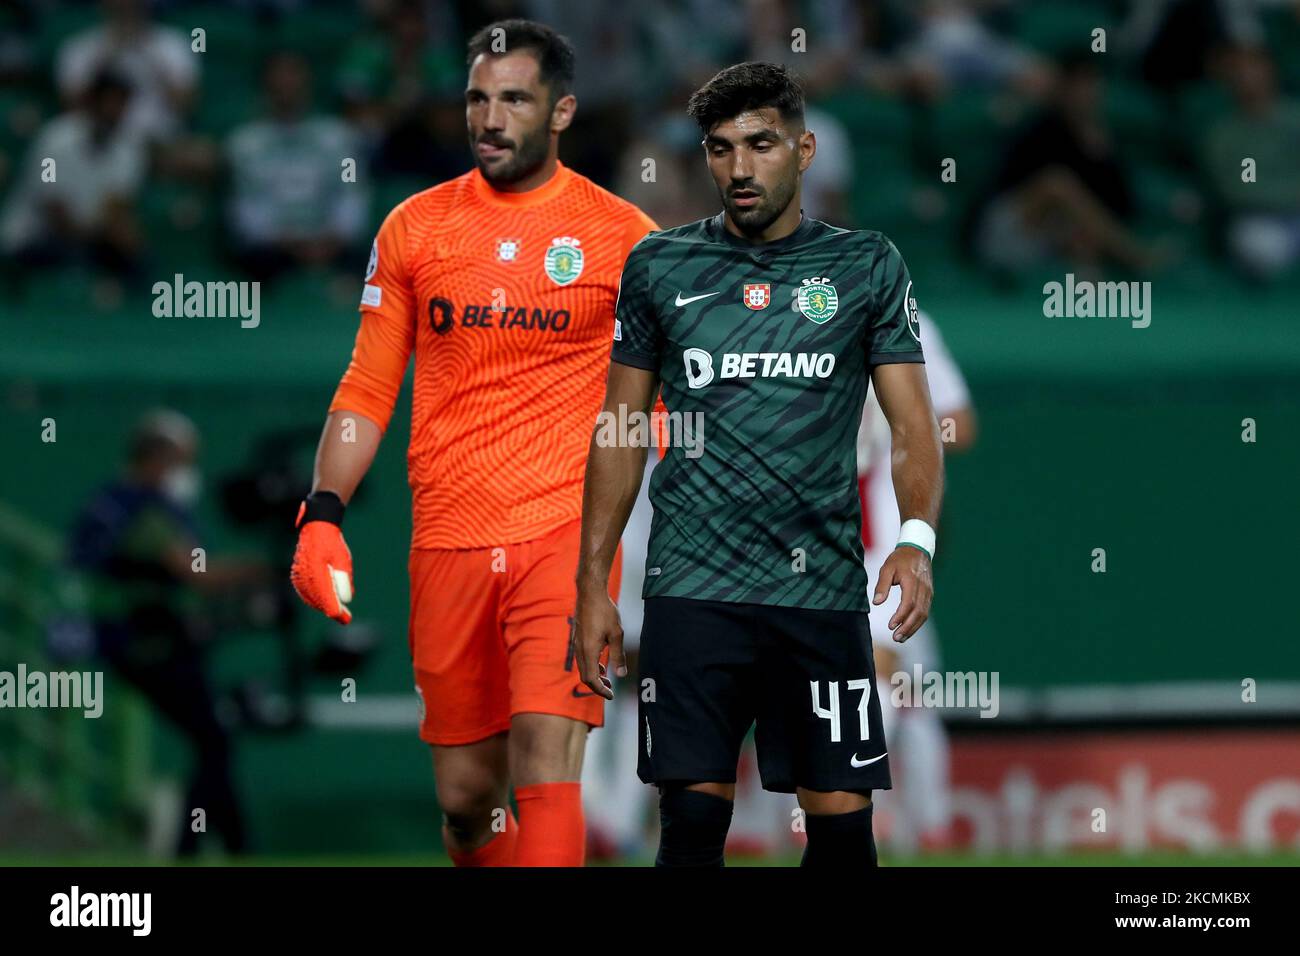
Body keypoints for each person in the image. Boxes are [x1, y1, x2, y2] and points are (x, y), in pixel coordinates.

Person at [289, 19, 657, 867]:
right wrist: (322, 512)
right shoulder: (415, 229)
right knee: (467, 803)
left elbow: (656, 397)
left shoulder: (626, 238)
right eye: (477, 99)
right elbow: (368, 387)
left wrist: (643, 497)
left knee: (546, 760)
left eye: (514, 100)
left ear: (561, 112)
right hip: (449, 534)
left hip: (566, 534)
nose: (490, 118)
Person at [572, 62, 945, 868]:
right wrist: (592, 582)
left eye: (761, 144)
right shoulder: (659, 268)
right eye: (720, 148)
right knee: (691, 829)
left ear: (805, 150)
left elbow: (917, 425)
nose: (739, 168)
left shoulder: (866, 267)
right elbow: (620, 426)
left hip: (819, 592)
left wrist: (916, 537)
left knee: (845, 836)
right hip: (691, 590)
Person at [67, 410, 265, 856]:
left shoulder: (121, 503)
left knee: (213, 739)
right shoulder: (139, 508)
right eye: (181, 461)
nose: (185, 473)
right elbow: (195, 571)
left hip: (146, 639)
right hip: (145, 644)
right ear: (157, 457)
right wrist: (264, 569)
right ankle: (195, 848)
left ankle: (232, 846)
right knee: (213, 737)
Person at [857, 311, 975, 853]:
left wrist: (901, 423)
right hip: (807, 545)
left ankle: (906, 822)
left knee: (896, 682)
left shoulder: (906, 324)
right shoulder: (776, 322)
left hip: (888, 542)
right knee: (897, 686)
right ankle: (916, 825)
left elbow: (960, 423)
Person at [226, 51, 368, 285]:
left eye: (293, 77)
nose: (287, 86)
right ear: (265, 87)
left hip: (332, 242)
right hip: (273, 247)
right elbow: (246, 206)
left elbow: (351, 191)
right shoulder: (244, 144)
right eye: (279, 80)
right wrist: (290, 243)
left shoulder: (339, 137)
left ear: (307, 83)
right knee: (254, 263)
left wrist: (335, 238)